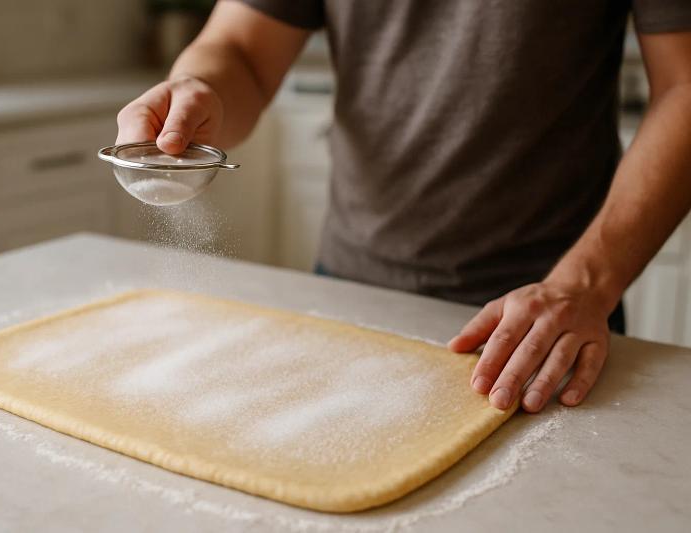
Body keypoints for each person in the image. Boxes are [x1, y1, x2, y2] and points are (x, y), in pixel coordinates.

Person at [116, 1, 691, 414]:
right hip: (350, 292)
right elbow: (242, 49)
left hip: (544, 319)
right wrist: (199, 87)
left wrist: (585, 284)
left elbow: (684, 83)